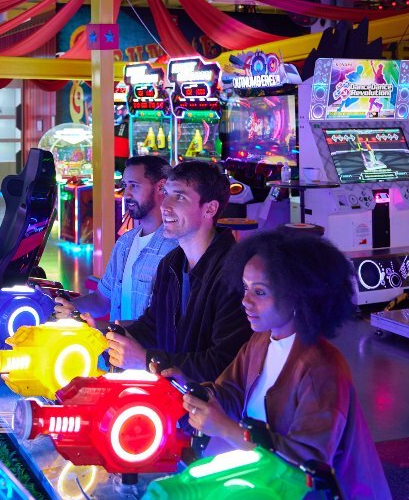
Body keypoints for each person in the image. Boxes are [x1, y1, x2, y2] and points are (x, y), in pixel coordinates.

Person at [181, 230, 391, 499]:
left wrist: (226, 429)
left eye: (260, 292)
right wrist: (192, 391)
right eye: (245, 288)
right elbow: (230, 393)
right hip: (267, 482)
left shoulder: (321, 369)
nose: (245, 301)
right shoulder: (260, 341)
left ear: (298, 297)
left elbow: (306, 468)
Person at [107, 161, 250, 382]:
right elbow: (154, 327)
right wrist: (104, 338)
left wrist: (147, 360)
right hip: (173, 402)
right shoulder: (171, 264)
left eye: (180, 197)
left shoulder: (235, 272)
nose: (165, 205)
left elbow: (224, 362)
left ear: (209, 209)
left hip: (209, 409)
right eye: (167, 194)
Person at [54, 156, 178, 326]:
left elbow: (164, 324)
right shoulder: (125, 243)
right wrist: (67, 307)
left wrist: (104, 330)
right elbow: (102, 300)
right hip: (117, 350)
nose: (126, 194)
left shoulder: (176, 248)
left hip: (147, 352)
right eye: (125, 186)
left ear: (161, 187)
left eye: (134, 185)